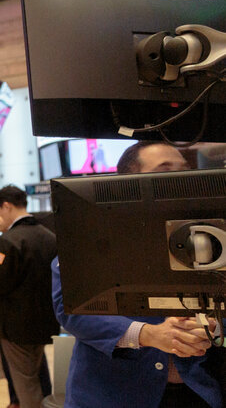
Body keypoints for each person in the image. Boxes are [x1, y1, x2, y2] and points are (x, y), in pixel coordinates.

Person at [52, 141, 222, 408]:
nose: (181, 179)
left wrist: (215, 328)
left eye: (185, 170)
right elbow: (72, 308)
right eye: (165, 171)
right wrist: (147, 334)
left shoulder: (212, 236)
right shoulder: (92, 241)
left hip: (196, 392)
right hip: (112, 395)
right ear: (128, 183)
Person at [0, 185, 58, 408]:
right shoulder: (50, 237)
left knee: (25, 384)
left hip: (15, 326)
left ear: (7, 206)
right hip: (44, 320)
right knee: (38, 376)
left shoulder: (7, 241)